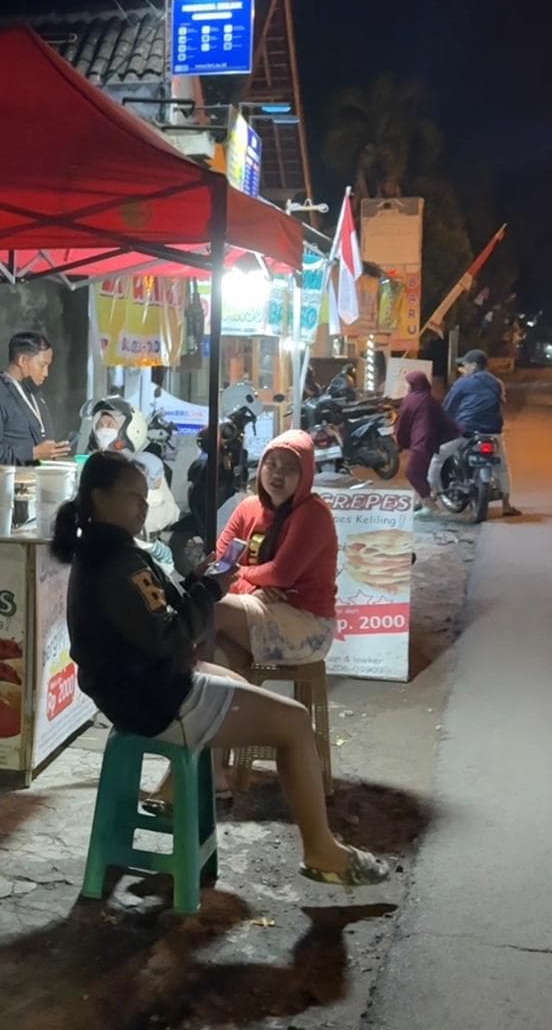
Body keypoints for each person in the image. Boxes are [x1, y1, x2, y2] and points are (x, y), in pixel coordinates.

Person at [54, 451, 388, 887]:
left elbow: (164, 622)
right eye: (132, 497)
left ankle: (198, 784)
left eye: (144, 497)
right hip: (155, 700)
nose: (142, 506)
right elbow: (171, 636)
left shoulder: (111, 551)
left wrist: (200, 586)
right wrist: (209, 590)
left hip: (144, 689)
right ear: (98, 498)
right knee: (295, 722)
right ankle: (321, 849)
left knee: (233, 675)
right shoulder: (113, 563)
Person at [212, 431, 339, 671]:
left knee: (212, 608)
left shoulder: (313, 513)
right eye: (271, 464)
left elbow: (281, 574)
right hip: (257, 604)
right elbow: (220, 565)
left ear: (306, 475)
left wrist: (242, 573)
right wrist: (253, 588)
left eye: (290, 468)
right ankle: (234, 707)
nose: (277, 473)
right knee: (217, 654)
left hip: (307, 624)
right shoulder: (247, 508)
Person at [430, 349, 520, 517]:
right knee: (502, 468)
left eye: (465, 364)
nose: (463, 368)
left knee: (437, 456)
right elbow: (502, 402)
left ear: (473, 365)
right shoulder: (496, 382)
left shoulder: (463, 383)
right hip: (493, 432)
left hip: (467, 431)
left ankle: (432, 492)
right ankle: (506, 505)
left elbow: (448, 407)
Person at [0, 332, 70, 467]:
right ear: (23, 361)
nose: (46, 373)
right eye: (42, 365)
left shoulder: (32, 393)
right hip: (3, 484)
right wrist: (33, 453)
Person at [394, 371, 459, 514]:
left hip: (421, 443)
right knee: (422, 471)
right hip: (432, 441)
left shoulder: (411, 400)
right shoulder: (429, 399)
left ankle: (429, 505)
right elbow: (445, 420)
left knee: (413, 472)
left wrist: (400, 442)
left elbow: (402, 424)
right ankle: (419, 501)